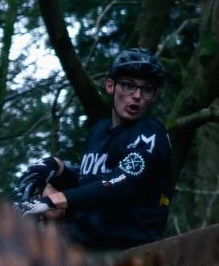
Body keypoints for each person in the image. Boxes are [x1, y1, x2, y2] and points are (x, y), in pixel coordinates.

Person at [35, 48, 177, 251]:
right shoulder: (99, 131)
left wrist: (61, 199)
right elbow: (93, 181)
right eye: (128, 86)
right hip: (83, 245)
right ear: (110, 85)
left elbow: (122, 181)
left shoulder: (150, 133)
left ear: (153, 96)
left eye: (146, 90)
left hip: (127, 249)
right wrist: (60, 172)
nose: (137, 96)